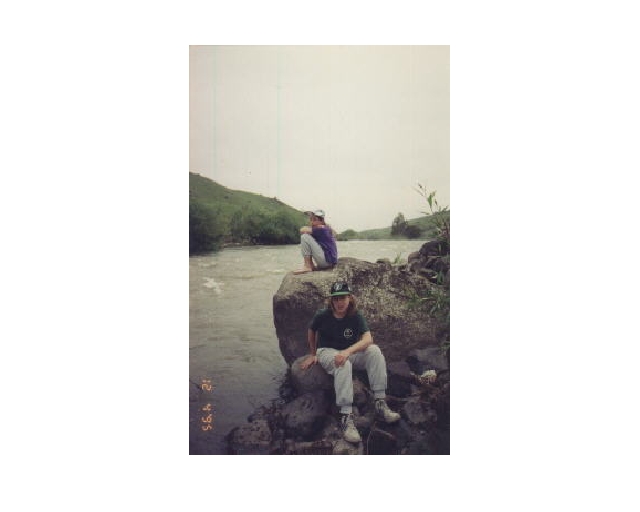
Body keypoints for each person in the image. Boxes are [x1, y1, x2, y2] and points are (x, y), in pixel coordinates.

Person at [300, 281, 401, 443]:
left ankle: (380, 403)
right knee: (343, 364)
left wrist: (348, 351)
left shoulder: (355, 316)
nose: (340, 302)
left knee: (374, 351)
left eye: (343, 298)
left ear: (349, 298)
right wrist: (313, 354)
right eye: (336, 299)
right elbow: (311, 330)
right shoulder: (322, 315)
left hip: (347, 352)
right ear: (331, 300)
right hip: (327, 352)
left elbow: (368, 339)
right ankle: (346, 416)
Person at [293, 209, 338, 275]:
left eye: (314, 220)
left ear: (321, 221)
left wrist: (307, 227)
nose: (311, 222)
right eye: (311, 219)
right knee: (308, 237)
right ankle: (310, 265)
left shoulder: (321, 228)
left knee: (305, 237)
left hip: (326, 262)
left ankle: (308, 266)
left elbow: (302, 230)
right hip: (329, 262)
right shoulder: (325, 228)